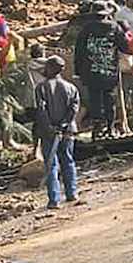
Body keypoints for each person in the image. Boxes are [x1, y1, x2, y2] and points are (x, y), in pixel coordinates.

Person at [73, 1, 127, 139]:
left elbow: (79, 51)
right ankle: (110, 128)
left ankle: (97, 129)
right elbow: (124, 47)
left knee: (94, 99)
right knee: (109, 99)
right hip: (109, 72)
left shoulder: (85, 29)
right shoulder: (115, 28)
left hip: (91, 73)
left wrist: (78, 71)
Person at [34, 55, 79, 209]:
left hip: (49, 133)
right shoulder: (71, 88)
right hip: (67, 131)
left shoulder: (41, 88)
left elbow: (41, 110)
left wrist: (50, 127)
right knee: (68, 160)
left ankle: (54, 200)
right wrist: (64, 124)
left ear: (50, 68)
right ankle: (72, 193)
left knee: (51, 165)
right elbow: (74, 109)